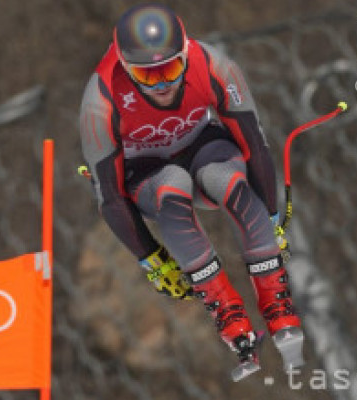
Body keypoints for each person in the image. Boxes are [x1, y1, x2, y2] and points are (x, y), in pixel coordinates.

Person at [78, 3, 303, 380]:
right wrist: (152, 259)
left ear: (185, 54)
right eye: (147, 77)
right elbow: (111, 197)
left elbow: (254, 146)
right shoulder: (100, 101)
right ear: (126, 70)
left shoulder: (214, 66)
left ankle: (277, 303)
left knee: (229, 182)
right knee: (172, 189)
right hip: (147, 173)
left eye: (169, 70)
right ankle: (227, 312)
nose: (163, 85)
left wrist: (271, 216)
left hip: (203, 148)